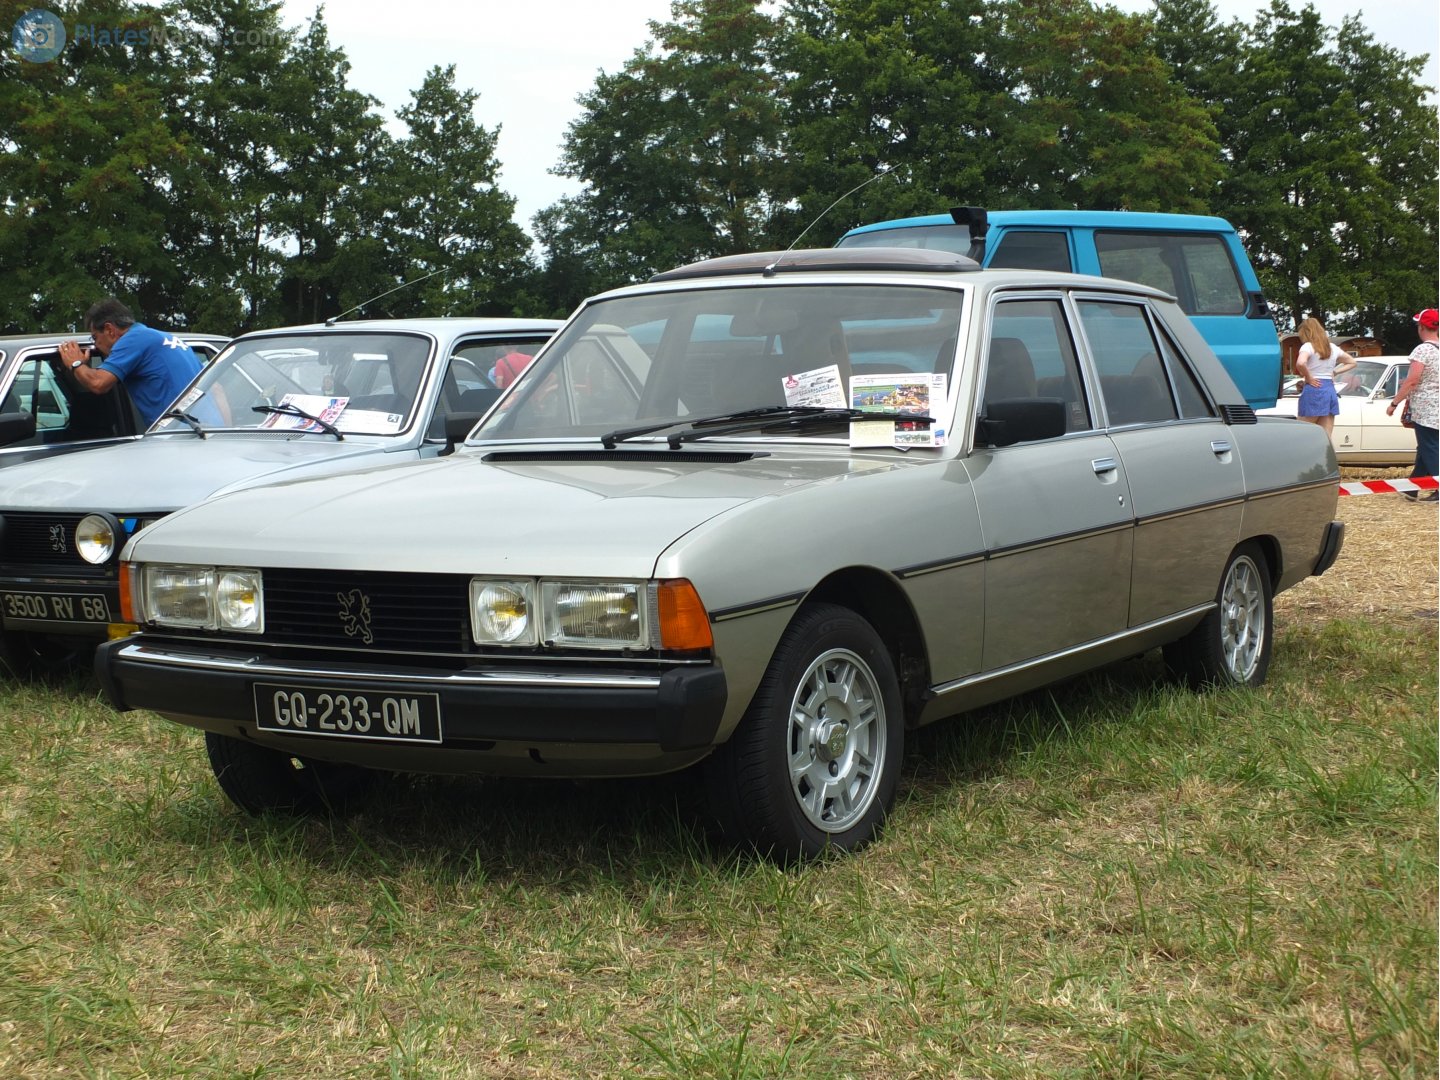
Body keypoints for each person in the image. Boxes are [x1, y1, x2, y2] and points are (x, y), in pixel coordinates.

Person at [56, 298, 204, 427]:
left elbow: (98, 383)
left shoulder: (133, 339)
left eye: (95, 338)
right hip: (206, 429)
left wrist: (75, 363)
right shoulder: (163, 337)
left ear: (109, 330)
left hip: (179, 434)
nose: (96, 346)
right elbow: (216, 388)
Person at [1386, 308, 1439, 502]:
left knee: (1430, 448)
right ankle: (1412, 487)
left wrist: (1394, 402)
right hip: (1437, 407)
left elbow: (1412, 380)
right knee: (1425, 448)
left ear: (1422, 327)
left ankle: (1438, 488)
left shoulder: (1423, 349)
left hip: (1426, 409)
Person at [1292, 316, 1357, 438]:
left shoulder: (1308, 346)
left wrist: (1309, 377)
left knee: (1302, 433)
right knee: (1326, 435)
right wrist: (1335, 373)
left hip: (1314, 388)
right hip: (1329, 389)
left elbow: (1300, 363)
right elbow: (1352, 362)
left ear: (1307, 332)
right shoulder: (1332, 347)